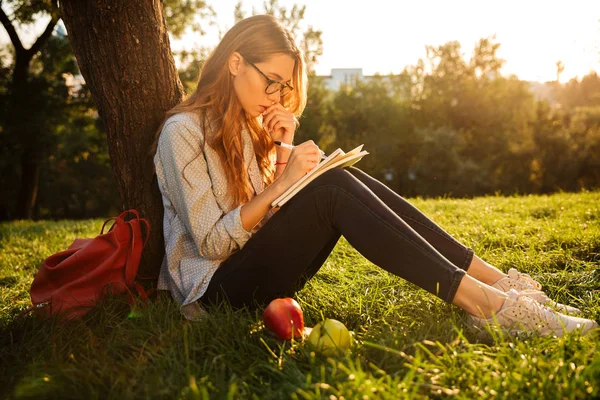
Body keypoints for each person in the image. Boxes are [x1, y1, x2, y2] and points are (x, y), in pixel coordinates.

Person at [151, 15, 597, 337]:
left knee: (343, 178)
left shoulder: (252, 128)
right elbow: (212, 242)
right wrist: (286, 183)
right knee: (332, 190)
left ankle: (497, 283)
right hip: (213, 296)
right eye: (271, 81)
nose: (277, 96)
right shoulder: (182, 133)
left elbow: (271, 220)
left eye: (285, 87)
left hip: (258, 276)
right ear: (234, 63)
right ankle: (489, 305)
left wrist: (283, 154)